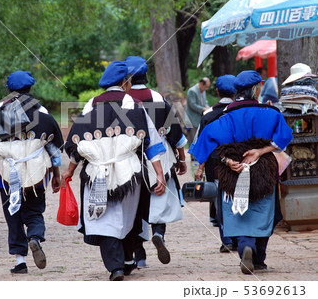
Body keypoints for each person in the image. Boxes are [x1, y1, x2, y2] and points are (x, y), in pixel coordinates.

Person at [61, 60, 167, 281]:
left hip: (95, 174)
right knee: (128, 216)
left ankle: (116, 267)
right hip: (129, 172)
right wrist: (159, 173)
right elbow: (152, 143)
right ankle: (128, 258)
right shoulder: (136, 106)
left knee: (104, 220)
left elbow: (76, 144)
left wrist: (69, 171)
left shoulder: (90, 106)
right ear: (126, 83)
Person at [190, 70, 293, 275]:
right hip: (264, 170)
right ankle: (259, 258)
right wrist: (260, 151)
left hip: (232, 173)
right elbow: (284, 138)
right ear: (255, 89)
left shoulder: (221, 118)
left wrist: (227, 160)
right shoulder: (271, 113)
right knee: (264, 210)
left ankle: (245, 245)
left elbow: (206, 147)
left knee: (236, 211)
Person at [0, 70, 63, 274]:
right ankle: (34, 237)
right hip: (37, 175)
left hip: (6, 176)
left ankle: (20, 261)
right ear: (30, 88)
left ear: (9, 88)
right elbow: (54, 150)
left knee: (12, 214)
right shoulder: (42, 112)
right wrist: (57, 175)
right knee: (34, 211)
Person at [124, 56, 187, 268]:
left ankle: (139, 256)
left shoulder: (121, 101)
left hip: (131, 159)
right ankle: (159, 233)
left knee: (135, 206)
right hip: (161, 158)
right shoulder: (158, 98)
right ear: (146, 75)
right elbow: (174, 131)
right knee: (159, 200)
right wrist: (181, 158)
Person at [191, 74, 238, 252]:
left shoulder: (208, 116)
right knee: (238, 199)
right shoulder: (239, 112)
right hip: (240, 166)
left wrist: (200, 167)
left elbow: (200, 145)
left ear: (217, 91)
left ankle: (227, 240)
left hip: (215, 166)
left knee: (220, 202)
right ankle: (240, 237)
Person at [185, 77, 210, 146]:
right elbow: (192, 105)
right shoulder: (192, 91)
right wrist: (204, 109)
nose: (206, 89)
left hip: (199, 120)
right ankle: (193, 157)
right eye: (206, 87)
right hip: (192, 120)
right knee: (193, 141)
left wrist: (208, 107)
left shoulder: (203, 91)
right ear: (201, 84)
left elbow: (205, 102)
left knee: (199, 141)